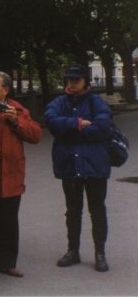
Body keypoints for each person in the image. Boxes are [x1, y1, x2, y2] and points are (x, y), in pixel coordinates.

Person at [0, 71, 41, 283]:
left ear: (6, 89)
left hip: (12, 175)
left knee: (9, 222)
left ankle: (7, 263)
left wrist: (16, 121)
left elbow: (36, 135)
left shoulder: (18, 110)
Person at [44, 63, 113, 272]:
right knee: (73, 211)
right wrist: (79, 124)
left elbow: (102, 127)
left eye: (76, 80)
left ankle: (100, 252)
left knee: (97, 210)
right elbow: (51, 121)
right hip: (70, 164)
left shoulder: (97, 101)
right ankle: (73, 250)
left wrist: (69, 128)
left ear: (86, 82)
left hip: (95, 165)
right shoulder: (58, 102)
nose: (72, 84)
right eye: (69, 80)